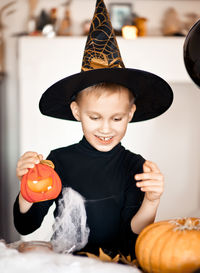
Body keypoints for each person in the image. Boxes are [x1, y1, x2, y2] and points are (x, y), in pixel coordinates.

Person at [13, 0, 173, 259]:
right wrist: (26, 190)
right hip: (67, 264)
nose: (106, 128)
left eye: (117, 118)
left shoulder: (134, 166)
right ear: (77, 112)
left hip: (116, 264)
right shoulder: (59, 161)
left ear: (130, 114)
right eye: (95, 117)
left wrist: (151, 201)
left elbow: (134, 238)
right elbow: (25, 225)